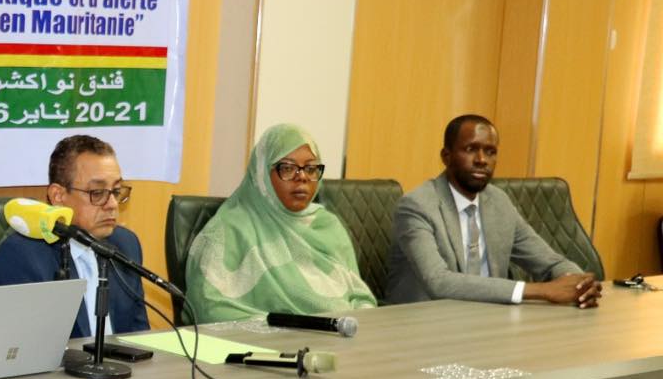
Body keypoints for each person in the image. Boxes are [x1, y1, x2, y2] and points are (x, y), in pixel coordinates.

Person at [385, 114, 602, 307]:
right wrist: (541, 290)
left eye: (490, 152)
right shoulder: (417, 206)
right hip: (426, 322)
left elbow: (550, 262)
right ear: (446, 156)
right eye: (471, 149)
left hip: (489, 318)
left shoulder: (499, 202)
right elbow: (438, 281)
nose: (482, 160)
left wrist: (580, 284)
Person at [185, 123, 377, 323]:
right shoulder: (228, 229)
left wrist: (359, 324)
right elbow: (208, 305)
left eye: (311, 168)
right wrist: (287, 329)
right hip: (268, 340)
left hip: (340, 334)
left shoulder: (327, 225)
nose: (302, 177)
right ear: (262, 175)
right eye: (287, 168)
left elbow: (360, 296)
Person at [0, 134, 150, 338]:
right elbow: (12, 346)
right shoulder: (23, 256)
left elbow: (139, 338)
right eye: (97, 192)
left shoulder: (126, 245)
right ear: (58, 196)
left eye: (115, 191)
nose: (112, 204)